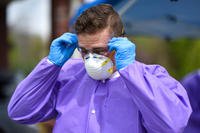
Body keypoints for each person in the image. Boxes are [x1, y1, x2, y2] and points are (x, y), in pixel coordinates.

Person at [8, 4, 192, 133]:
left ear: (120, 42)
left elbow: (172, 125)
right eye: (83, 50)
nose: (90, 58)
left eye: (99, 50)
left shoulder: (151, 76)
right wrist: (50, 65)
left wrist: (131, 72)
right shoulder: (67, 74)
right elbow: (20, 112)